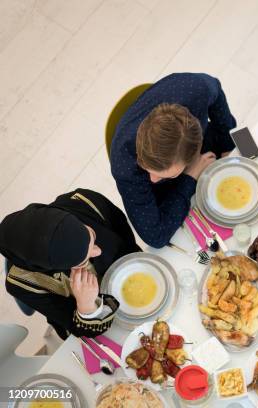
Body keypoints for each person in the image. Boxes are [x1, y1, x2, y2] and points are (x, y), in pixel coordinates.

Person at [110, 73, 237, 248]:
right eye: (150, 169)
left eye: (167, 175)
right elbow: (156, 237)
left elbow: (216, 89)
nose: (153, 179)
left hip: (200, 146)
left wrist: (227, 144)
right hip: (165, 189)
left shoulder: (197, 88)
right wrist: (189, 177)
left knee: (247, 154)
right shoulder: (125, 166)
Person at [0, 189, 140, 339]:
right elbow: (76, 326)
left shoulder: (83, 201)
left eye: (90, 234)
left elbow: (125, 236)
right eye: (84, 259)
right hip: (104, 327)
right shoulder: (21, 284)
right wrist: (86, 305)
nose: (98, 251)